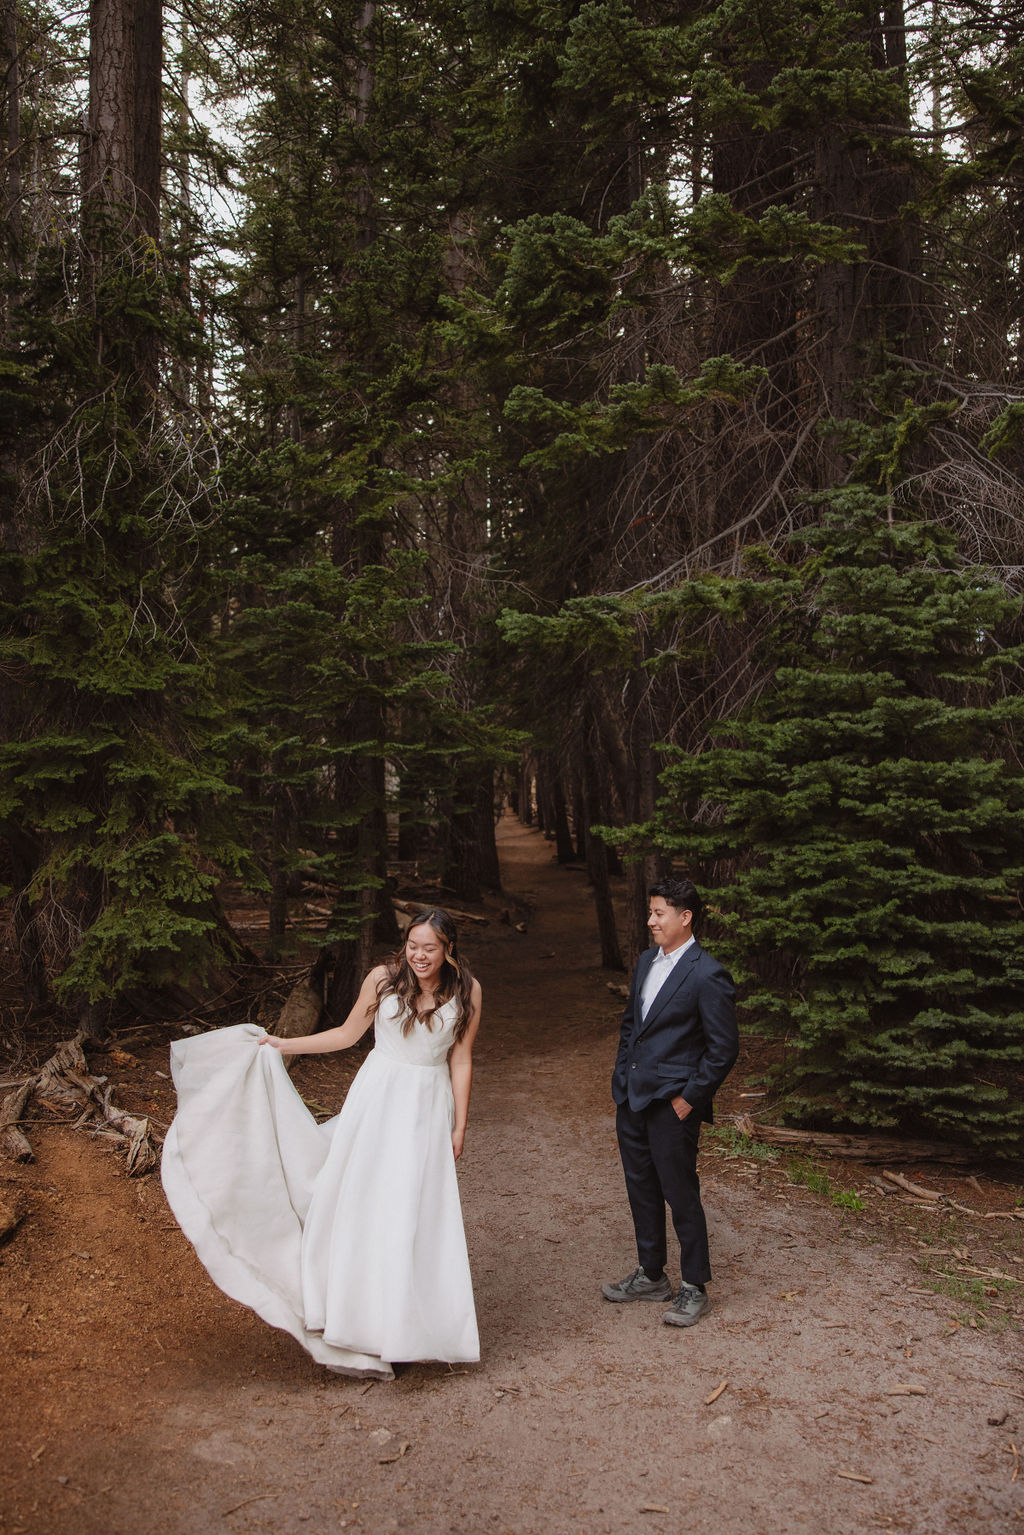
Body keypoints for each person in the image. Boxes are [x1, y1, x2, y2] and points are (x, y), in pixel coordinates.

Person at [161, 908, 482, 1380]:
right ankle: (355, 1315)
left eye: (429, 948)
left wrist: (458, 1126)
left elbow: (461, 1060)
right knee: (365, 1203)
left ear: (448, 949)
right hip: (377, 1102)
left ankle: (406, 1325)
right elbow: (347, 1035)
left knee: (411, 1211)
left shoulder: (468, 991)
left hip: (425, 1109)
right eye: (412, 946)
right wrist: (281, 1045)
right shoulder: (382, 979)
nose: (418, 955)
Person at [604, 877, 738, 1328]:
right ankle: (651, 1275)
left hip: (673, 1104)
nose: (650, 921)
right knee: (640, 1187)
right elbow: (631, 1025)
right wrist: (621, 1077)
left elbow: (723, 1049)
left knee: (681, 1194)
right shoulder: (645, 961)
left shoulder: (707, 973)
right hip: (633, 1099)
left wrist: (689, 1101)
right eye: (651, 912)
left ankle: (694, 1286)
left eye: (659, 913)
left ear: (685, 918)